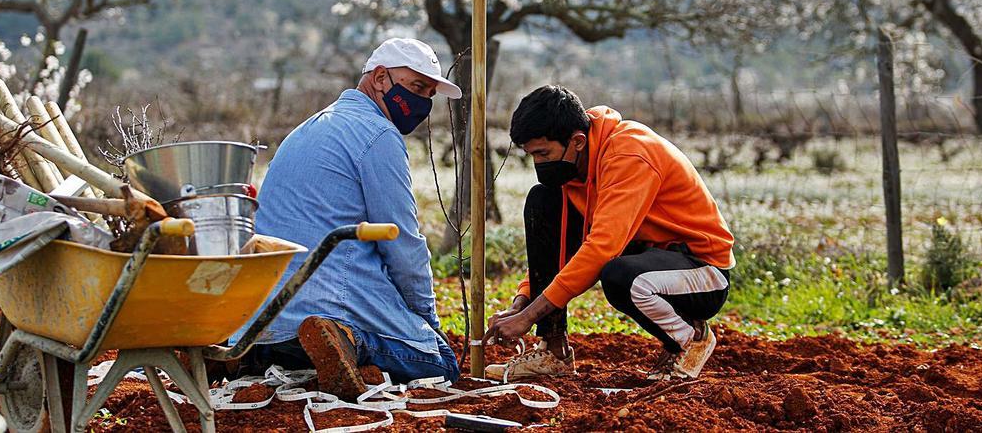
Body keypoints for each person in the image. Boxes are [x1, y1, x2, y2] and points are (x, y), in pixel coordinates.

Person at [233, 37, 461, 400]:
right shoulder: (379, 135)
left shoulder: (306, 128)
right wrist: (426, 321)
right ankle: (350, 340)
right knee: (442, 363)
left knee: (294, 338)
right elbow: (402, 242)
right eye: (418, 87)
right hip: (332, 301)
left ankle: (251, 356)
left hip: (266, 317)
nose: (424, 102)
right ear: (381, 78)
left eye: (430, 93)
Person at [483, 85, 734, 381]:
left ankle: (692, 337)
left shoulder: (629, 153)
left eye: (543, 153)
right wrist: (522, 301)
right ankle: (554, 351)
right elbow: (560, 246)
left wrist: (527, 318)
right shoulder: (575, 165)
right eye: (532, 156)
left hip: (701, 272)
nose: (539, 163)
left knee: (621, 276)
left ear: (576, 141)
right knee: (543, 201)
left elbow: (602, 248)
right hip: (646, 255)